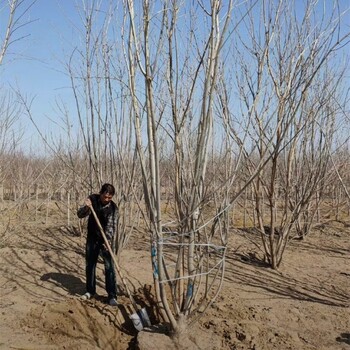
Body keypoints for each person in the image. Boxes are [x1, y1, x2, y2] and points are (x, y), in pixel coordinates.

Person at [77, 183, 118, 306]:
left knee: (109, 267)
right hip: (92, 238)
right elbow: (80, 214)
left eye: (109, 198)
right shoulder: (93, 199)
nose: (106, 200)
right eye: (105, 197)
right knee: (90, 265)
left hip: (105, 240)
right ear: (100, 193)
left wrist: (108, 241)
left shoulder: (113, 209)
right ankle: (90, 291)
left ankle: (112, 295)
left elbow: (111, 226)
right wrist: (87, 207)